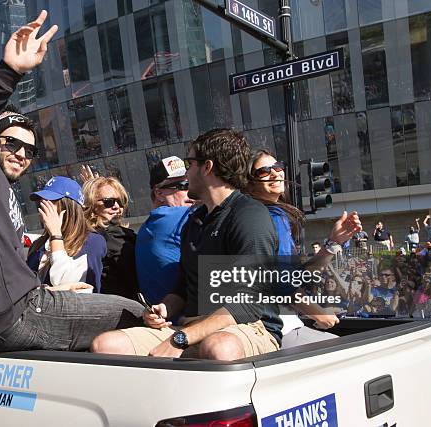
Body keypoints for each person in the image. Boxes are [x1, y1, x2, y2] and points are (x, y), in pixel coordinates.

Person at [0, 11, 144, 352]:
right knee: (134, 311)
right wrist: (9, 71)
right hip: (15, 318)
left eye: (30, 150)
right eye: (11, 143)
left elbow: (3, 274)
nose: (21, 153)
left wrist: (50, 290)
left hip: (12, 312)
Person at [92, 129, 359, 360]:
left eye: (190, 163)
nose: (187, 172)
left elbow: (246, 302)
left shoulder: (250, 216)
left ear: (207, 167)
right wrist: (165, 308)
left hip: (250, 327)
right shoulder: (196, 220)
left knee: (218, 346)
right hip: (192, 327)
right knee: (106, 345)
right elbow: (183, 287)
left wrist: (179, 339)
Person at [246, 149, 363, 347]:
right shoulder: (272, 217)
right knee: (348, 352)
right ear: (249, 184)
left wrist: (333, 243)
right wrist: (318, 312)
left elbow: (295, 276)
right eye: (264, 171)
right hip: (275, 329)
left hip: (275, 325)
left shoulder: (262, 214)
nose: (275, 173)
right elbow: (283, 282)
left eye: (277, 167)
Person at [26, 176, 106, 292]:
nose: (43, 207)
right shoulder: (38, 244)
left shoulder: (92, 241)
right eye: (41, 203)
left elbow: (69, 285)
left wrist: (56, 234)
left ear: (68, 207)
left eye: (50, 202)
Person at [135, 156, 193, 304]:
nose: (192, 190)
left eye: (192, 183)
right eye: (184, 185)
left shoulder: (145, 228)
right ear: (159, 193)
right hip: (190, 317)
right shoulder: (181, 215)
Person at [82, 176, 139, 300]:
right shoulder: (102, 238)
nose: (117, 207)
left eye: (121, 201)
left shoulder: (121, 233)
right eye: (109, 202)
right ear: (91, 204)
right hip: (122, 309)